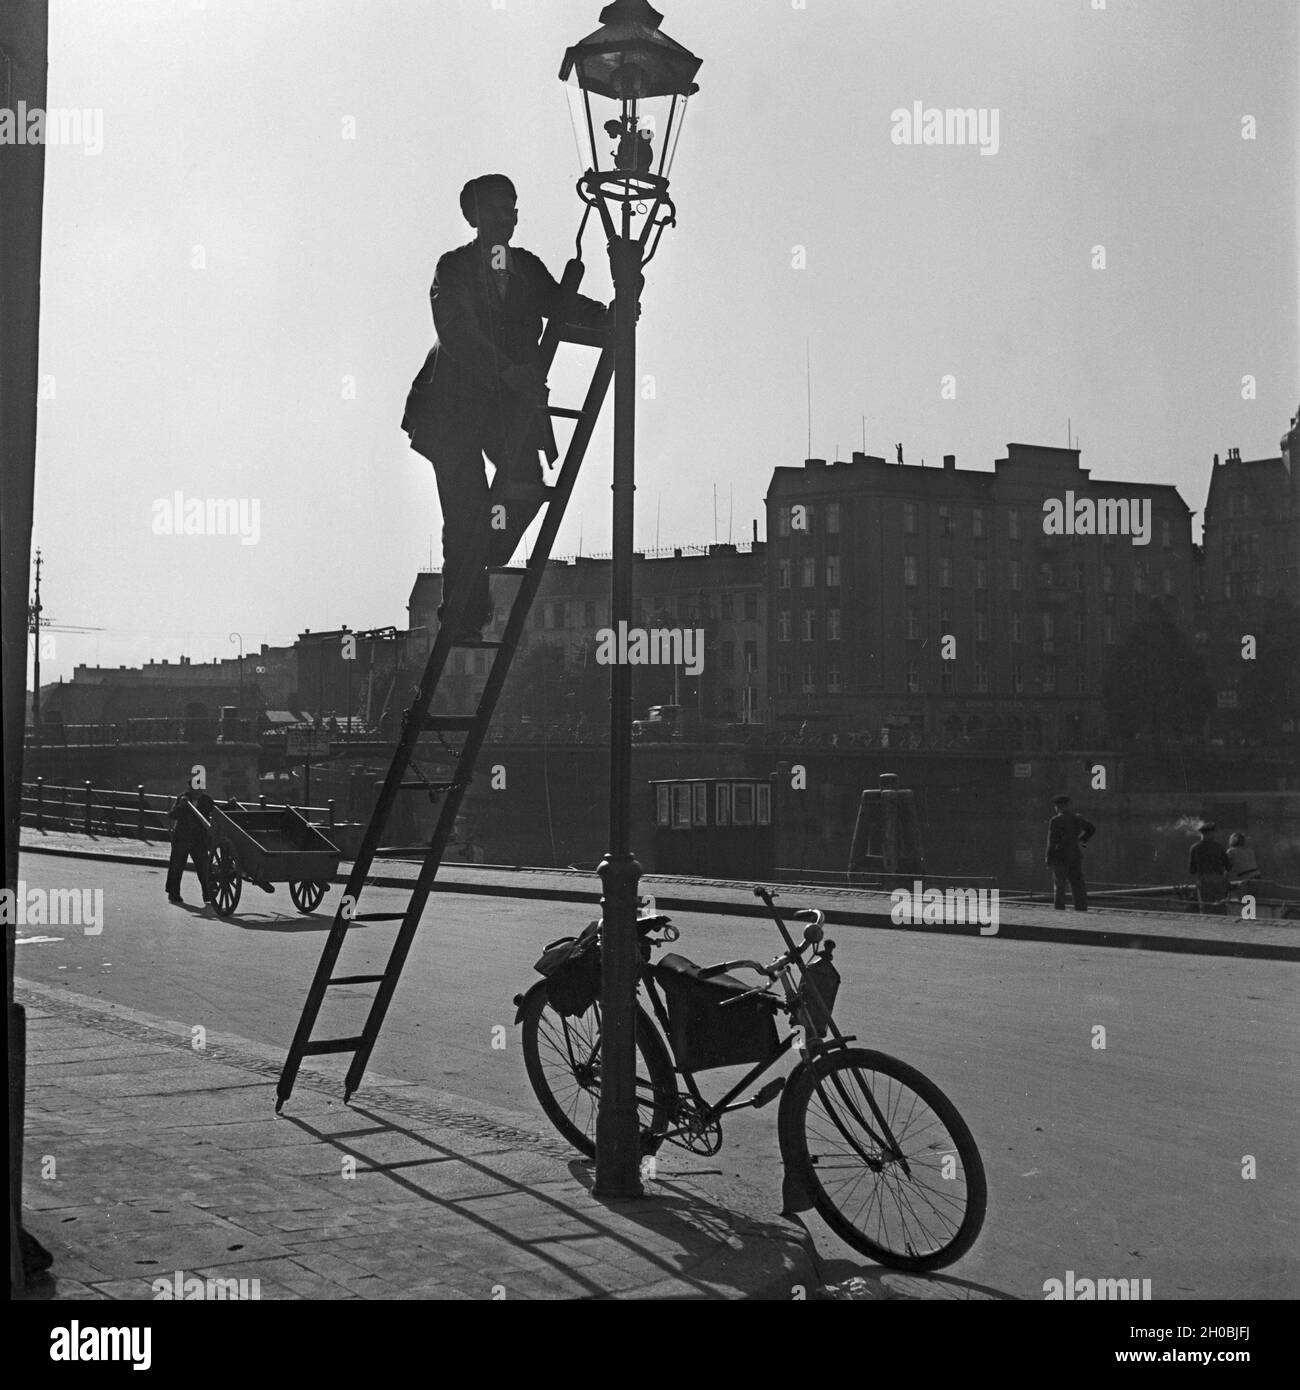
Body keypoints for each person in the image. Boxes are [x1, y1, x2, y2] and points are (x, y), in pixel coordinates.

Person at [402, 174, 611, 642]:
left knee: (527, 487)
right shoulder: (453, 269)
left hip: (500, 412)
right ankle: (464, 616)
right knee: (463, 510)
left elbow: (561, 303)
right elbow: (458, 331)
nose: (508, 217)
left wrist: (605, 315)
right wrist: (507, 371)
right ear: (473, 217)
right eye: (498, 208)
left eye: (513, 208)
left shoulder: (525, 269)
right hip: (450, 413)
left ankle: (488, 548)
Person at [165, 785, 214, 905]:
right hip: (182, 838)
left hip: (198, 839)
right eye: (196, 789)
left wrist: (230, 805)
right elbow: (172, 815)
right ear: (190, 789)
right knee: (177, 866)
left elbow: (218, 810)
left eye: (200, 789)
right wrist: (181, 806)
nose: (198, 791)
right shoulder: (183, 798)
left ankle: (208, 894)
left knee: (203, 866)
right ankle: (173, 893)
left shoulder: (206, 799)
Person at [1045, 794, 1095, 911]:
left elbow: (1051, 841)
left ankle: (1059, 908)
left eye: (1056, 806)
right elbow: (1092, 829)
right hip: (1075, 855)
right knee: (1078, 884)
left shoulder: (1056, 820)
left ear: (1058, 806)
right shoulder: (1078, 818)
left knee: (1060, 885)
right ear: (1068, 806)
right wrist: (1082, 839)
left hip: (1060, 856)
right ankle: (1081, 907)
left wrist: (1048, 858)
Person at [1189, 822, 1232, 913]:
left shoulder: (1195, 848)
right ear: (1211, 833)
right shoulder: (1220, 847)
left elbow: (1192, 870)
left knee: (1206, 908)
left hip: (1204, 880)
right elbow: (1228, 866)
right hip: (1219, 880)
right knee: (1220, 907)